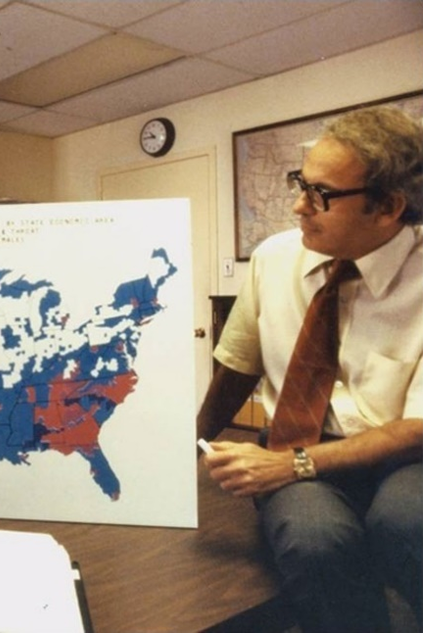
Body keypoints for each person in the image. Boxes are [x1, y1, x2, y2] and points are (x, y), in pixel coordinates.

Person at [198, 106, 422, 632]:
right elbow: (237, 365)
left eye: (320, 193)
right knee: (314, 540)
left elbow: (417, 428)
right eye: (300, 183)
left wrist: (291, 466)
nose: (299, 206)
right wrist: (190, 444)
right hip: (299, 435)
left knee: (407, 522)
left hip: (404, 455)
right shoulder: (275, 258)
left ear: (388, 206)